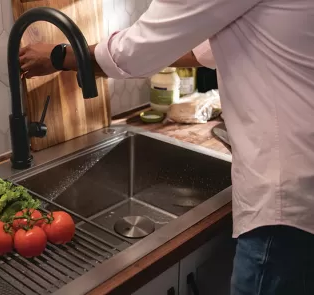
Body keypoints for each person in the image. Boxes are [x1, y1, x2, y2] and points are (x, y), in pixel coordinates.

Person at [19, 1, 314, 294]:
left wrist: (61, 55)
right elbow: (204, 49)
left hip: (285, 202)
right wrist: (94, 61)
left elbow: (138, 49)